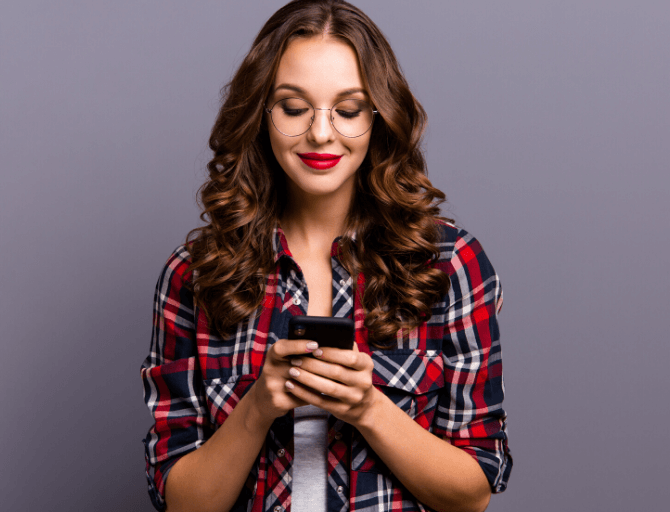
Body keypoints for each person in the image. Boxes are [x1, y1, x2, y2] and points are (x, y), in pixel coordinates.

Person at [140, 1, 511, 511]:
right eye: (294, 108)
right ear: (261, 114)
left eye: (349, 109)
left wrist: (369, 409)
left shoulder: (447, 263)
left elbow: (472, 495)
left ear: (379, 116)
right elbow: (183, 503)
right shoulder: (196, 275)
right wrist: (257, 408)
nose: (320, 132)